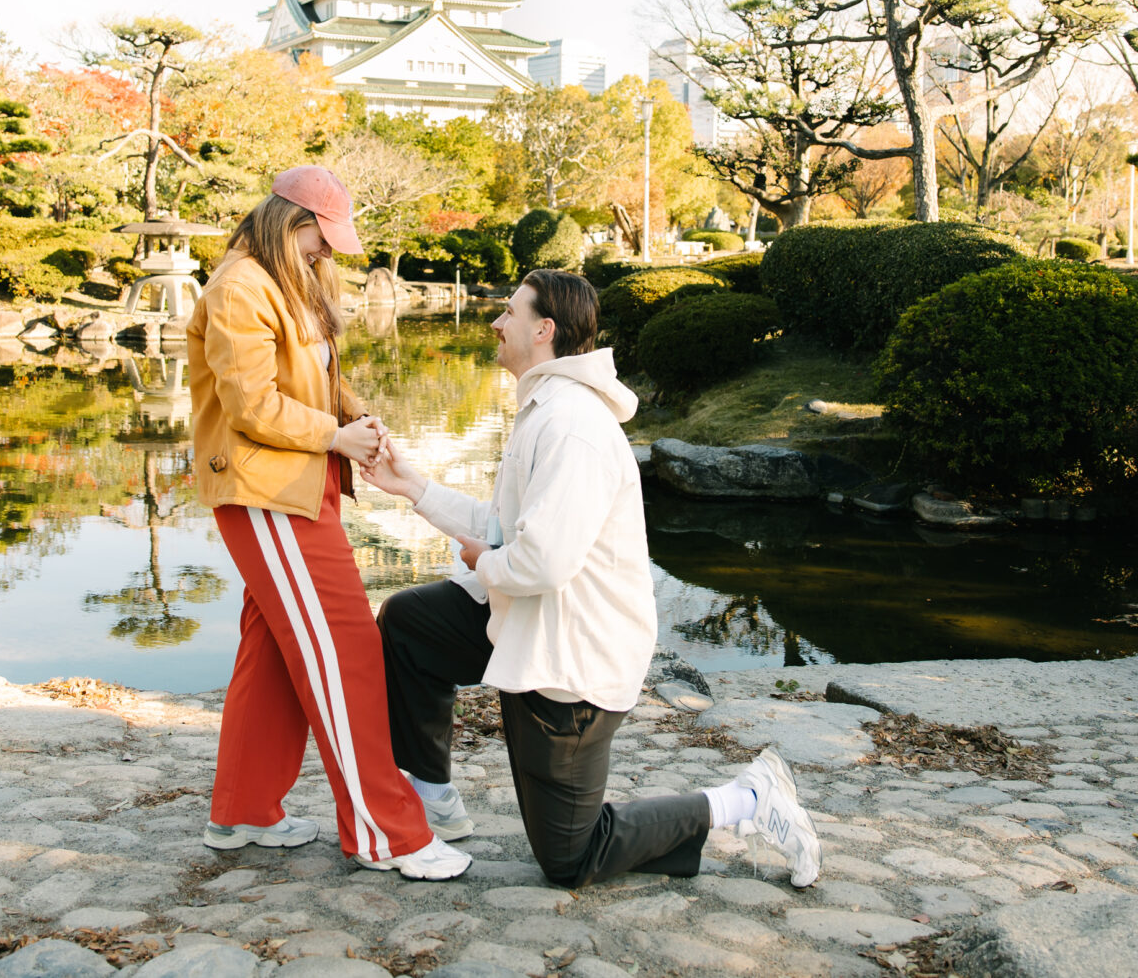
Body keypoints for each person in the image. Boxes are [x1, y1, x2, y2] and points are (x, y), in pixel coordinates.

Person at [362, 268, 820, 890]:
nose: (497, 322)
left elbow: (538, 561)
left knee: (570, 859)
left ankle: (746, 799)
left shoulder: (570, 424)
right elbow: (505, 528)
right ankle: (431, 794)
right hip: (527, 623)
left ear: (544, 330)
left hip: (570, 658)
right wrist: (411, 486)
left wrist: (481, 564)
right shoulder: (544, 408)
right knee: (412, 623)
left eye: (511, 313)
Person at [187, 165, 472, 881]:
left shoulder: (287, 283)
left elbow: (312, 379)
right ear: (292, 221)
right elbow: (252, 405)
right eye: (321, 236)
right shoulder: (239, 288)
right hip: (267, 493)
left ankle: (244, 809)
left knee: (276, 651)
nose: (328, 252)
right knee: (345, 652)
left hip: (294, 487)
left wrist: (358, 420)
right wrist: (334, 437)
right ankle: (386, 834)